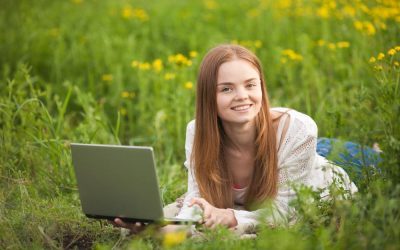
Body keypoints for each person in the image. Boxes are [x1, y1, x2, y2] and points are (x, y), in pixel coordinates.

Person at [113, 44, 360, 235]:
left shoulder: (298, 130)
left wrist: (229, 217)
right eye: (226, 89)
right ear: (208, 97)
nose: (242, 96)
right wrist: (163, 228)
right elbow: (197, 199)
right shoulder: (197, 132)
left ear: (262, 87)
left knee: (373, 158)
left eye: (250, 85)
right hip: (275, 177)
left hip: (327, 170)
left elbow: (285, 213)